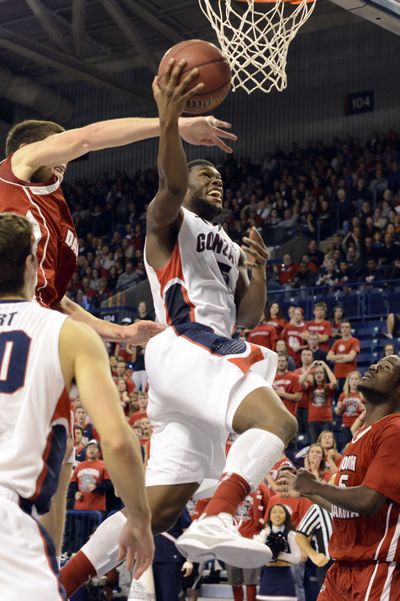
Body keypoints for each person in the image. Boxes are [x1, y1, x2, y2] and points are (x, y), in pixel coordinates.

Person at [59, 59, 297, 596]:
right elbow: (169, 179)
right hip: (188, 342)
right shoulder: (169, 222)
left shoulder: (230, 245)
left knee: (156, 512)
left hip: (197, 365)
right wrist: (169, 120)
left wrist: (257, 270)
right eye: (204, 174)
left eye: (218, 177)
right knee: (279, 420)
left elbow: (250, 316)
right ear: (185, 183)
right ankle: (220, 516)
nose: (214, 180)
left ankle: (60, 584)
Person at [0, 213, 153, 600]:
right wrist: (139, 518)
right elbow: (118, 442)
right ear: (33, 265)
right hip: (11, 532)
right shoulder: (68, 334)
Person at [285, 354, 400, 600]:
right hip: (341, 568)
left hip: (375, 568)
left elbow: (369, 501)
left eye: (385, 368)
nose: (374, 366)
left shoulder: (394, 430)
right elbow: (344, 508)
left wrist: (317, 485)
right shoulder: (357, 438)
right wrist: (311, 492)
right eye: (376, 363)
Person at [255, 504, 301, 601]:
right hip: (267, 575)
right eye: (274, 512)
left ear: (286, 516)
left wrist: (277, 554)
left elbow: (297, 558)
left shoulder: (291, 534)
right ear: (270, 516)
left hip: (284, 576)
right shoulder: (264, 533)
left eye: (281, 512)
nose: (277, 515)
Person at [298, 360, 337, 443]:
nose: (319, 374)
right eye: (316, 373)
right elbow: (301, 381)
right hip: (312, 420)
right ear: (313, 375)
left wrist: (325, 366)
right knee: (314, 444)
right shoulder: (310, 387)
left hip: (326, 420)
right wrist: (311, 367)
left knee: (326, 444)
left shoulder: (328, 387)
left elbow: (334, 382)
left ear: (324, 375)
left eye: (321, 373)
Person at [70, 440, 112, 513]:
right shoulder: (79, 466)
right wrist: (75, 493)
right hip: (79, 506)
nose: (91, 449)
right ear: (86, 451)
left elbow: (109, 484)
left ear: (99, 452)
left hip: (97, 507)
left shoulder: (104, 465)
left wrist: (97, 487)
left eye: (94, 447)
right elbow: (73, 483)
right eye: (89, 447)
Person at [335, 370, 365, 448]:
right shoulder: (343, 395)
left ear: (360, 381)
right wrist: (339, 408)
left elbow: (369, 410)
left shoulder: (363, 395)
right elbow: (338, 412)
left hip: (359, 426)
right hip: (346, 426)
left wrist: (364, 408)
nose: (354, 381)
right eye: (351, 379)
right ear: (348, 381)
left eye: (356, 379)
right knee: (347, 448)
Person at [326, 322, 360, 390]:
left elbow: (351, 357)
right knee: (338, 397)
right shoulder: (337, 342)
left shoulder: (354, 341)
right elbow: (328, 357)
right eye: (343, 327)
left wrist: (336, 359)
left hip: (349, 375)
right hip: (337, 374)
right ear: (340, 329)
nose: (344, 329)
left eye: (347, 327)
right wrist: (345, 356)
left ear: (350, 329)